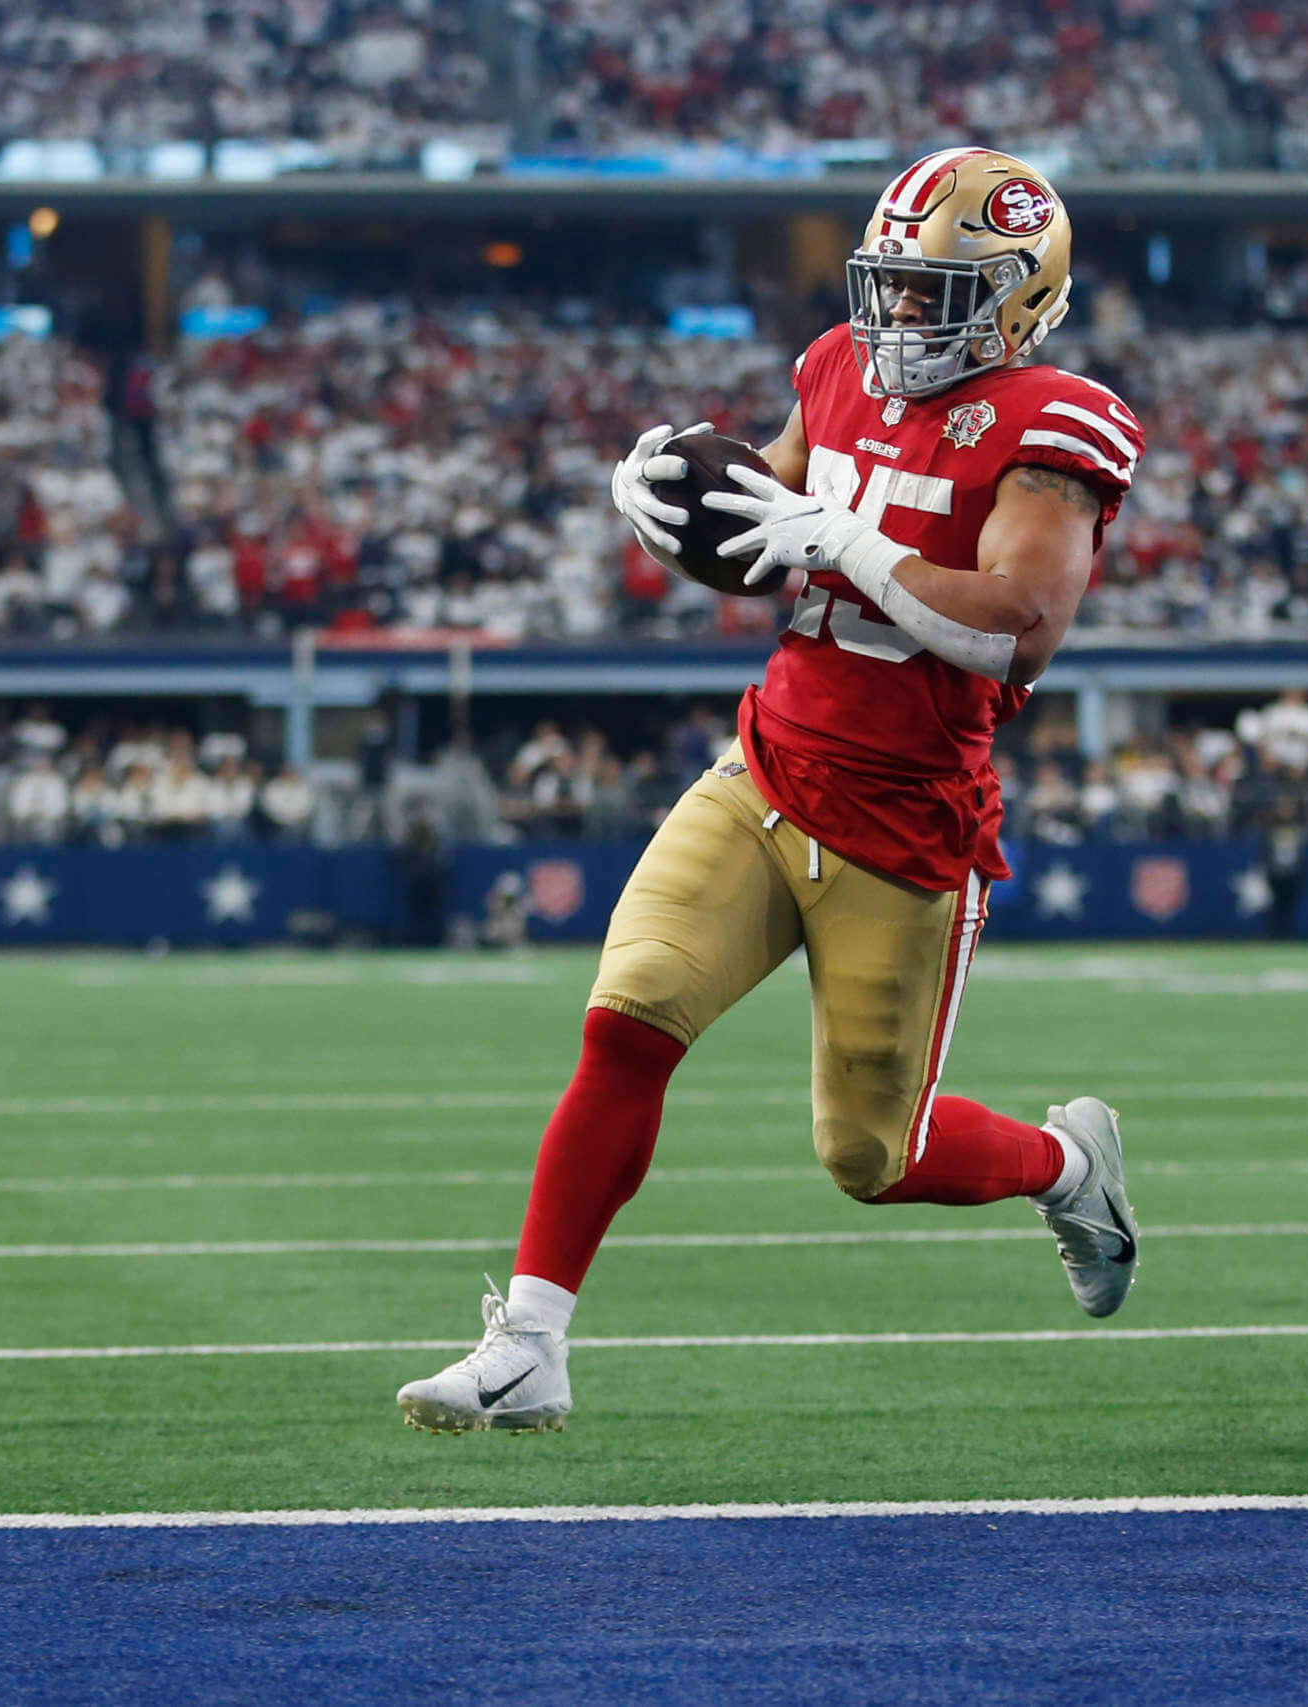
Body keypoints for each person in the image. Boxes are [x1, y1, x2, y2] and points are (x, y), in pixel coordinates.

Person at [396, 148, 1149, 1433]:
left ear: (1021, 297)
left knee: (873, 1155)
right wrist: (675, 513)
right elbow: (768, 538)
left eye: (940, 293)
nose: (905, 317)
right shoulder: (834, 366)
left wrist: (857, 544)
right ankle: (530, 1346)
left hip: (905, 823)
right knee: (625, 1024)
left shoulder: (1053, 424)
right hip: (768, 768)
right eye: (896, 286)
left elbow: (1018, 628)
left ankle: (1068, 1166)